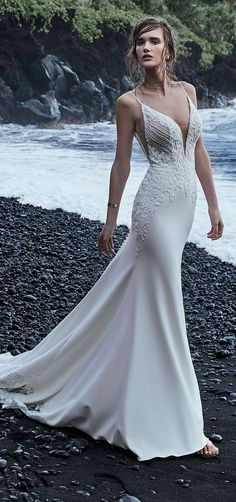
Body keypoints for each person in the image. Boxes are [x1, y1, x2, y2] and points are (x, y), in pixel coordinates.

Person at [0, 17, 223, 461]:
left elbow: (198, 151)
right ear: (135, 51)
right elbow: (120, 164)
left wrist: (215, 206)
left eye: (154, 41)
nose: (146, 47)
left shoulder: (189, 93)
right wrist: (110, 219)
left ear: (168, 49)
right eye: (140, 42)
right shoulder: (129, 102)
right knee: (168, 303)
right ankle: (183, 422)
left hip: (185, 207)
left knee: (145, 299)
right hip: (154, 207)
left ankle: (125, 384)